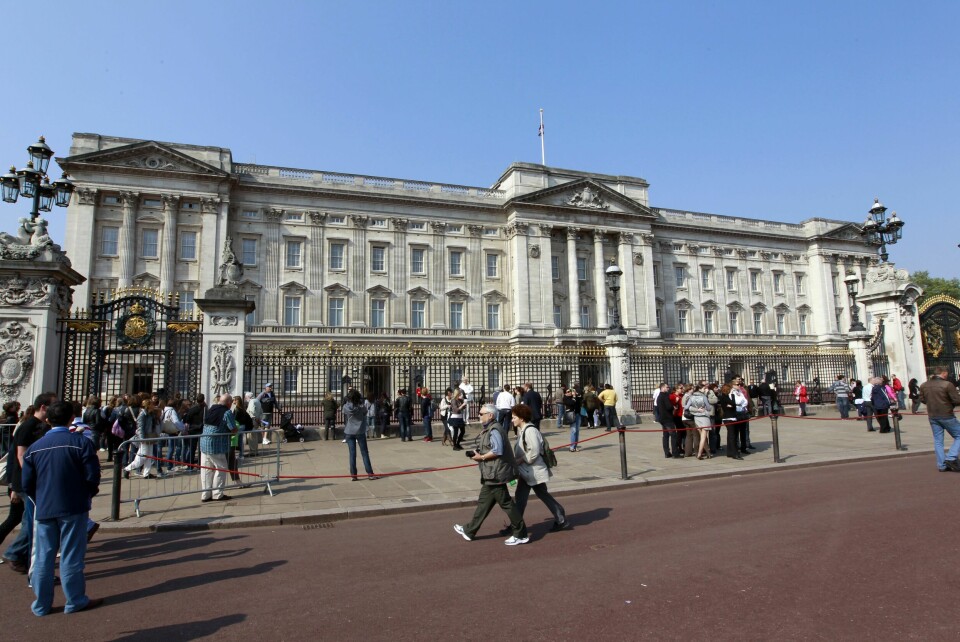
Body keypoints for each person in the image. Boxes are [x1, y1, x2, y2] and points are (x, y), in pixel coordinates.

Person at [21, 401, 102, 616]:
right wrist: (86, 494)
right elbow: (92, 476)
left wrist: (39, 499)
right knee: (71, 556)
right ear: (70, 419)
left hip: (45, 506)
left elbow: (27, 483)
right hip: (73, 505)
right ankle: (75, 600)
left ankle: (41, 604)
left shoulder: (34, 448)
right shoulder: (80, 443)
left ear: (48, 420)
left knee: (43, 558)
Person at [452, 405, 528, 545]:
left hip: (496, 474)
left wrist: (480, 458)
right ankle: (469, 531)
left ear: (490, 415)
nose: (479, 416)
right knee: (484, 503)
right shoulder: (490, 429)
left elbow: (497, 451)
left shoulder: (494, 430)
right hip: (491, 473)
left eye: (481, 414)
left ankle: (521, 533)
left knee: (506, 504)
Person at [509, 403, 568, 532]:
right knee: (525, 496)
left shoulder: (530, 430)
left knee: (531, 496)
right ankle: (516, 523)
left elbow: (534, 451)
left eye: (514, 417)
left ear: (522, 418)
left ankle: (516, 524)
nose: (512, 419)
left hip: (533, 470)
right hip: (528, 471)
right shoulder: (523, 430)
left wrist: (521, 460)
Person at [919, 366, 960, 472]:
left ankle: (941, 465)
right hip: (946, 414)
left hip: (932, 415)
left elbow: (922, 399)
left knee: (938, 441)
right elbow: (957, 400)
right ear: (944, 373)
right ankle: (951, 457)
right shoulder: (947, 384)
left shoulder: (924, 385)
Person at [200, 394, 238, 502]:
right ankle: (217, 494)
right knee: (221, 468)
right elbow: (232, 428)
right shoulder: (227, 412)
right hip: (216, 444)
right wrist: (235, 430)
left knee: (206, 469)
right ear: (229, 403)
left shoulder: (212, 408)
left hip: (204, 441)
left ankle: (206, 494)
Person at [343, 389, 377, 481]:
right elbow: (365, 413)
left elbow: (345, 412)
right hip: (360, 431)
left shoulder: (346, 406)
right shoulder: (361, 406)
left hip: (350, 431)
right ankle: (370, 473)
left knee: (352, 454)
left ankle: (353, 475)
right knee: (365, 453)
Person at [124, 399, 160, 479]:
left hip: (149, 437)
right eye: (152, 404)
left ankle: (146, 473)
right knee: (142, 456)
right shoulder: (142, 415)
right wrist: (142, 439)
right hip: (145, 438)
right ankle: (127, 469)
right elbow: (140, 428)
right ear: (148, 405)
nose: (153, 406)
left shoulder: (150, 414)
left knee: (149, 456)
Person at [685, 381, 716, 460]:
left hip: (697, 418)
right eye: (703, 388)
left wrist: (696, 410)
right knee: (703, 437)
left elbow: (687, 407)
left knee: (702, 436)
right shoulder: (704, 397)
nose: (704, 389)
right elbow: (709, 408)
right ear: (700, 389)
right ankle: (699, 454)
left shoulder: (691, 397)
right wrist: (702, 409)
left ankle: (708, 453)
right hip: (704, 417)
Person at [655, 383, 677, 458]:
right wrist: (673, 406)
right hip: (667, 418)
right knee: (673, 434)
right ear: (663, 388)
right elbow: (668, 407)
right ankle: (675, 452)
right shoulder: (665, 396)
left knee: (666, 435)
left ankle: (667, 452)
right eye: (667, 387)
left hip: (662, 418)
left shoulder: (659, 396)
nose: (668, 388)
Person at [562, 387, 583, 452]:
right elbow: (571, 403)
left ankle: (575, 446)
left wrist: (577, 395)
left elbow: (581, 401)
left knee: (577, 431)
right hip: (571, 415)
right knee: (573, 430)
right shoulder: (565, 398)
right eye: (567, 392)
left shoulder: (575, 397)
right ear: (565, 393)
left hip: (577, 414)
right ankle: (572, 446)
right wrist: (573, 397)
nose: (569, 392)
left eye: (570, 391)